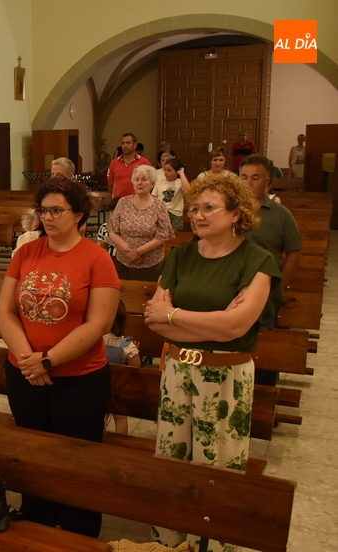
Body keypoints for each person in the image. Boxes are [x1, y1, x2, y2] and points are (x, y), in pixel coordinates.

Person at [144, 173, 282, 552]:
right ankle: (169, 544)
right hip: (176, 370)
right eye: (193, 208)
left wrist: (177, 316)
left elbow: (237, 326)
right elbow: (155, 319)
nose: (197, 215)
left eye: (208, 208)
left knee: (217, 467)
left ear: (236, 213)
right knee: (171, 460)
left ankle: (217, 546)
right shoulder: (182, 255)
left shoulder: (257, 260)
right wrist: (207, 322)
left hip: (226, 376)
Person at [0, 174, 119, 537]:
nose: (47, 218)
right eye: (43, 210)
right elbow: (4, 311)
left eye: (57, 211)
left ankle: (78, 534)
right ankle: (36, 529)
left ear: (79, 214)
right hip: (25, 375)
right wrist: (26, 359)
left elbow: (99, 323)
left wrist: (47, 360)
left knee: (76, 463)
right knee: (32, 456)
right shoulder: (25, 253)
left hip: (78, 381)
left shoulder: (97, 259)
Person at [239, 154, 303, 386]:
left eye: (255, 178)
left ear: (268, 182)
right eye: (244, 177)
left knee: (264, 351)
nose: (248, 183)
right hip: (229, 290)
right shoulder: (228, 211)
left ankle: (263, 405)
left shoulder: (281, 215)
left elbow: (294, 251)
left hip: (265, 294)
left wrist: (278, 284)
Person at [108, 165, 175, 281]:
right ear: (132, 182)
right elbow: (112, 231)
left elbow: (163, 236)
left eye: (144, 179)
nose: (140, 183)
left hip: (150, 265)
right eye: (137, 179)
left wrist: (138, 252)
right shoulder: (123, 202)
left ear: (152, 184)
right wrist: (129, 252)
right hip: (124, 262)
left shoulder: (159, 206)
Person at [104, 300, 141, 435]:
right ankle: (121, 441)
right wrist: (135, 352)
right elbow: (136, 367)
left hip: (101, 383)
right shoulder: (127, 345)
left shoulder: (97, 339)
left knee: (103, 414)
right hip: (120, 386)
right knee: (120, 417)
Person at [107, 133, 152, 200]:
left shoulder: (144, 162)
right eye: (123, 143)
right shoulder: (114, 163)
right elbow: (110, 184)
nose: (125, 146)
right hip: (118, 201)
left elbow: (151, 183)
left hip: (139, 201)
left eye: (128, 143)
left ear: (135, 145)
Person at [153, 157, 188, 231]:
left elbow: (187, 190)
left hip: (175, 214)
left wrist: (181, 173)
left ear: (176, 171)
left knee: (175, 237)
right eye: (165, 169)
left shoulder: (179, 182)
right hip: (161, 213)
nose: (166, 172)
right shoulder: (159, 182)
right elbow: (154, 198)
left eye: (169, 170)